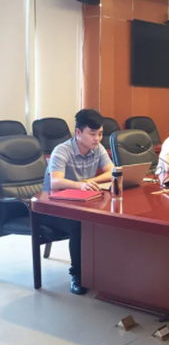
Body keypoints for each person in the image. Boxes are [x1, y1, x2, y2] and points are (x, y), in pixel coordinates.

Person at [42, 109, 114, 295]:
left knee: (109, 218)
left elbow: (112, 172)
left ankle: (102, 270)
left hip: (81, 204)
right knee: (79, 225)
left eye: (100, 134)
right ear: (78, 132)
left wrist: (90, 182)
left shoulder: (97, 149)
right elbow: (55, 182)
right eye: (92, 134)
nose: (97, 139)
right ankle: (77, 275)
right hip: (53, 207)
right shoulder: (62, 150)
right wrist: (81, 185)